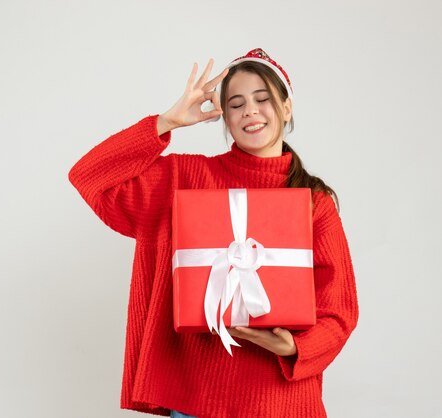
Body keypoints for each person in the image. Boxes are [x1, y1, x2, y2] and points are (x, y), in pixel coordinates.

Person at [68, 48, 359, 418]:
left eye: (263, 99)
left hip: (281, 402)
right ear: (224, 117)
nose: (250, 111)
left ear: (287, 109)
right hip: (196, 402)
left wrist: (295, 347)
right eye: (235, 104)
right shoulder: (185, 181)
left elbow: (340, 309)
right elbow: (90, 177)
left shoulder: (314, 203)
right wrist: (166, 122)